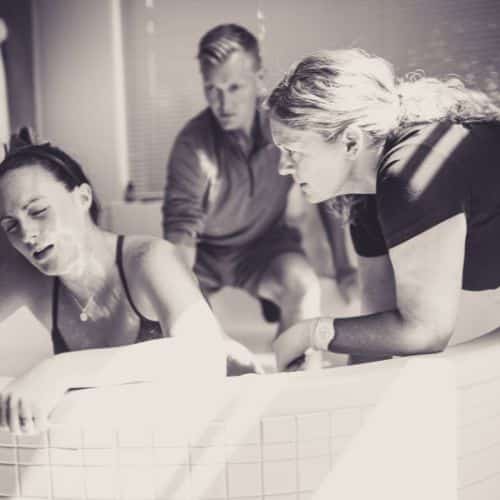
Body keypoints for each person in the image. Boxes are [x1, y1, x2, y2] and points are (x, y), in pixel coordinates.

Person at [266, 48, 500, 369]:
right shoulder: (364, 197)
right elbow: (377, 325)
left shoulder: (411, 174)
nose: (282, 167)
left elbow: (424, 333)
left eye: (293, 150)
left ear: (351, 142)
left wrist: (308, 334)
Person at [0, 128, 226, 435]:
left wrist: (57, 370)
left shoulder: (150, 259)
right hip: (124, 438)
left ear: (82, 198)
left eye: (38, 211)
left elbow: (206, 356)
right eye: (11, 226)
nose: (27, 234)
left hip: (205, 427)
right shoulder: (30, 281)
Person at [163, 24, 353, 369]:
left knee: (303, 286)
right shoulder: (191, 147)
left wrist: (344, 267)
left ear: (259, 79)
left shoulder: (283, 126)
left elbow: (326, 191)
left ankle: (294, 379)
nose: (224, 104)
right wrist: (203, 327)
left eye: (234, 87)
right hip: (205, 254)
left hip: (266, 245)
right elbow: (180, 243)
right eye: (212, 89)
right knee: (185, 322)